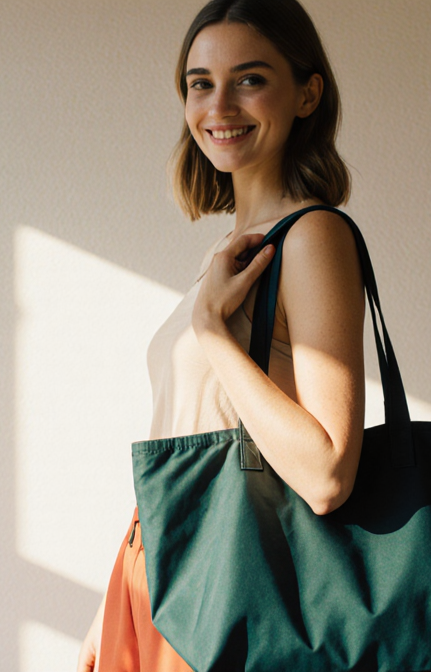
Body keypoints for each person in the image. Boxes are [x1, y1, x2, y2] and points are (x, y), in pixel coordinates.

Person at [78, 0, 364, 668]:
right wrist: (114, 601)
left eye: (250, 78)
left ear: (307, 93)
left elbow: (327, 473)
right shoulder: (224, 251)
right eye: (200, 83)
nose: (220, 104)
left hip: (222, 586)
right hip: (158, 575)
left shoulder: (313, 236)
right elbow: (181, 431)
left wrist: (213, 332)